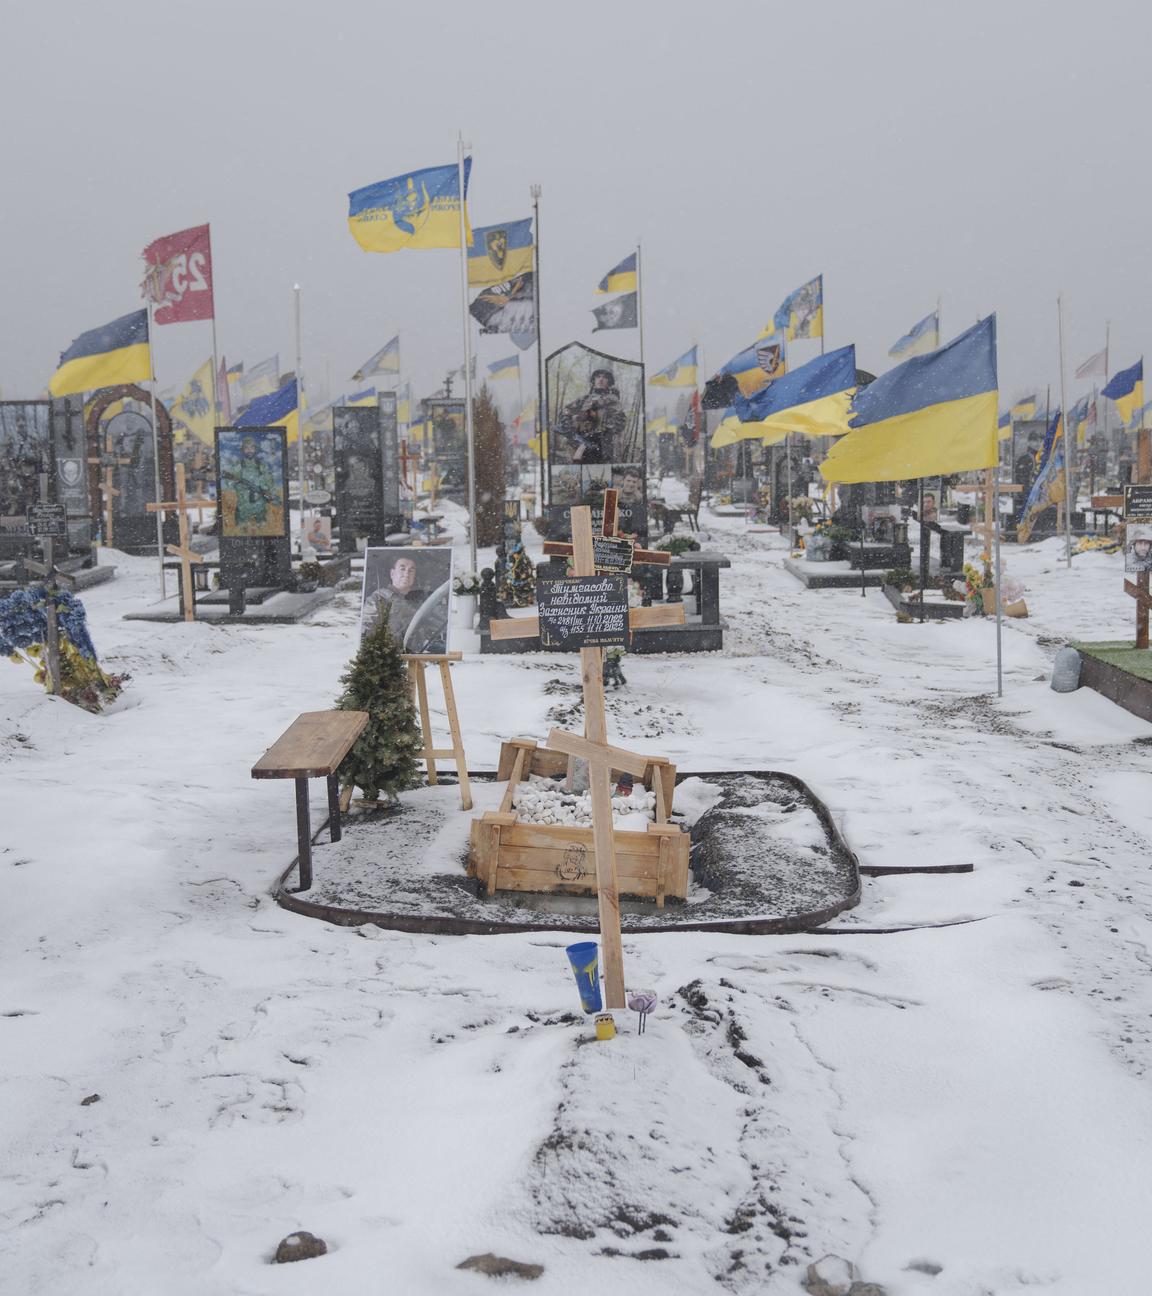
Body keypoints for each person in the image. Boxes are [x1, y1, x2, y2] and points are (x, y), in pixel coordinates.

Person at [556, 368, 625, 464]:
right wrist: (570, 427)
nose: (601, 379)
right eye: (598, 377)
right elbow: (565, 411)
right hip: (581, 444)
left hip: (603, 446)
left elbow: (620, 423)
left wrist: (604, 429)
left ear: (609, 382)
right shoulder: (584, 399)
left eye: (605, 377)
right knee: (579, 472)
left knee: (602, 474)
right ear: (594, 380)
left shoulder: (613, 401)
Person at [363, 554, 428, 644]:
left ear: (414, 576)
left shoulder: (421, 601)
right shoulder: (378, 598)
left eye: (411, 570)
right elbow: (367, 634)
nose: (406, 574)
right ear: (392, 573)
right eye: (402, 569)